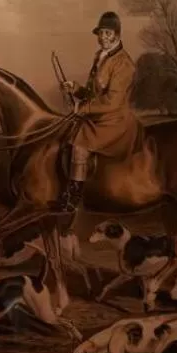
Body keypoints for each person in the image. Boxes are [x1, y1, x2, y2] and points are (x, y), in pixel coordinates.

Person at [59, 11, 138, 211]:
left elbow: (112, 101)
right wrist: (75, 88)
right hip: (98, 115)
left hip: (114, 120)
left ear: (117, 35)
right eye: (101, 33)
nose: (103, 37)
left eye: (108, 33)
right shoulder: (100, 56)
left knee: (79, 144)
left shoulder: (124, 64)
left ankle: (74, 198)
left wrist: (82, 108)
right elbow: (93, 93)